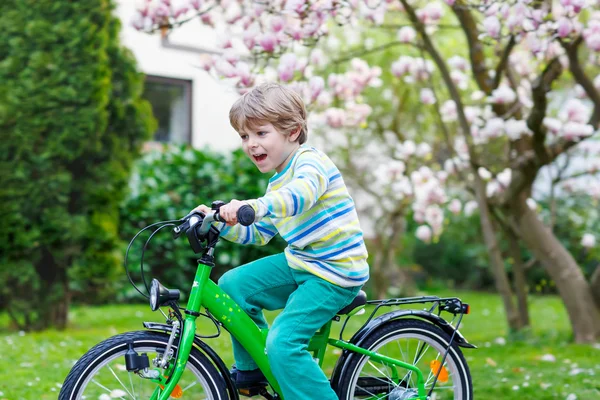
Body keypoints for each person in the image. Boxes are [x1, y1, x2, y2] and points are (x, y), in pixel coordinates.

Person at [193, 82, 369, 400]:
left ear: (292, 131)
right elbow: (260, 233)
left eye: (261, 133)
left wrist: (254, 206)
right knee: (234, 284)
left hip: (334, 272)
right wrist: (218, 223)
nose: (251, 144)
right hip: (303, 261)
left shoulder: (310, 164)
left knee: (283, 343)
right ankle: (253, 370)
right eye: (245, 136)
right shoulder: (277, 181)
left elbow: (299, 197)